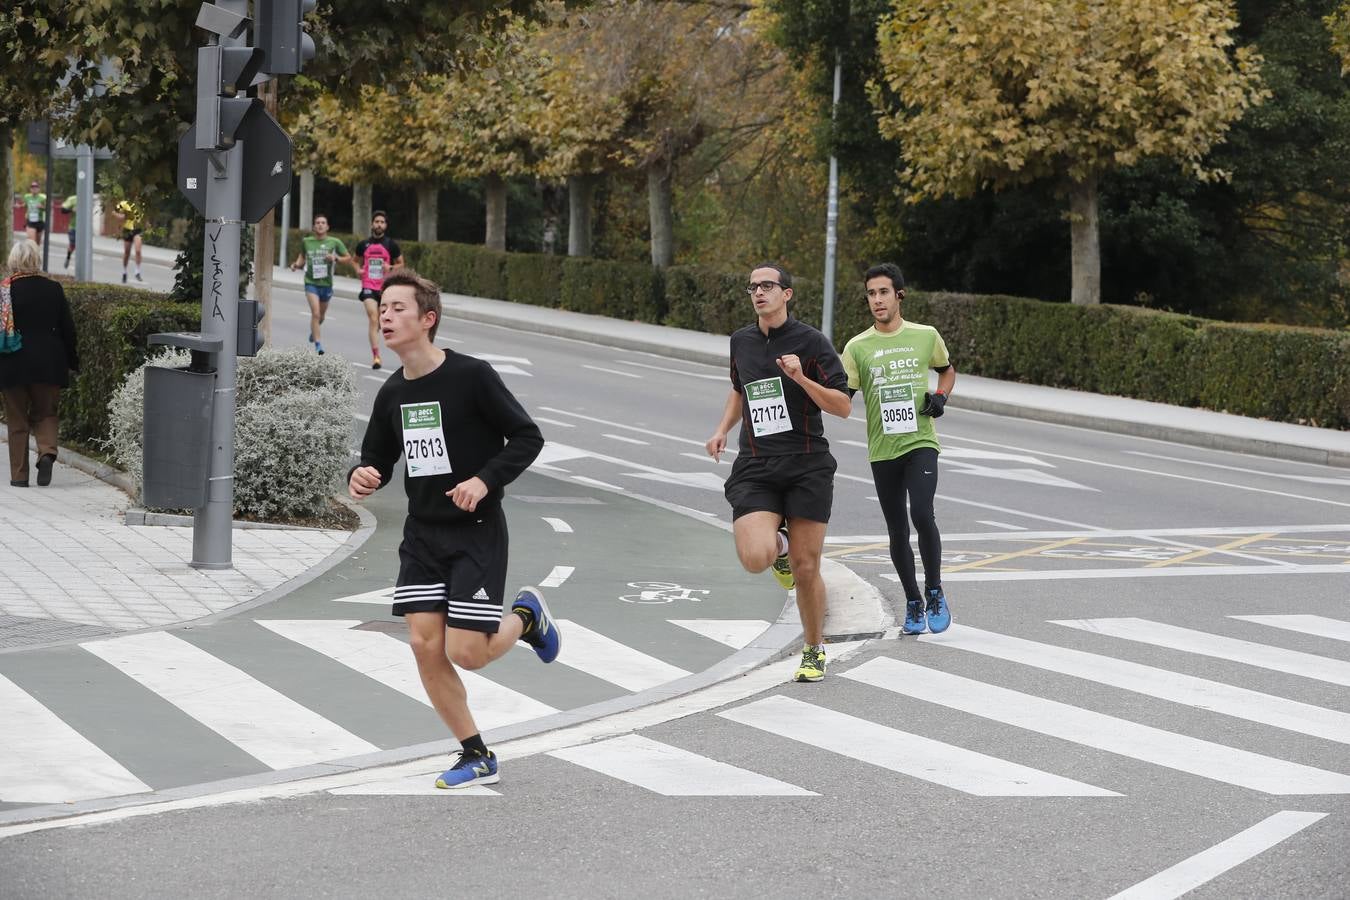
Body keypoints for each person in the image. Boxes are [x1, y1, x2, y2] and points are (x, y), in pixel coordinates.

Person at [347, 269, 557, 789]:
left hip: (476, 530)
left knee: (468, 653)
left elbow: (527, 437)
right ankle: (475, 753)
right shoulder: (392, 392)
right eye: (383, 307)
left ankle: (526, 619)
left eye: (398, 308)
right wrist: (364, 473)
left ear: (428, 319)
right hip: (422, 535)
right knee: (423, 645)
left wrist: (485, 481)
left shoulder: (472, 376)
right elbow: (377, 456)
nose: (386, 315)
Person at [705, 263, 851, 683]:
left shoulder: (812, 343)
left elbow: (841, 406)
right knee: (755, 558)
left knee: (808, 570)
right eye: (752, 286)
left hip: (807, 465)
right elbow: (740, 388)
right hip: (757, 465)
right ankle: (779, 547)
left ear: (787, 294)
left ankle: (814, 649)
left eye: (767, 286)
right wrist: (721, 430)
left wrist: (801, 377)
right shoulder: (742, 342)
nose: (758, 292)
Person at [841, 263, 955, 635]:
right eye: (871, 294)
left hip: (921, 442)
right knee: (896, 530)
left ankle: (934, 590)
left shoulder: (925, 336)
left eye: (883, 292)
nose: (877, 300)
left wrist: (940, 397)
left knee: (922, 512)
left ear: (899, 295)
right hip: (882, 449)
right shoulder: (857, 347)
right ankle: (912, 601)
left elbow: (947, 370)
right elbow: (843, 397)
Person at [0, 240, 79, 488]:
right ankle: (46, 452)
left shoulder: (4, 291)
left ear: (13, 261)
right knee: (46, 413)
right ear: (36, 260)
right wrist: (73, 360)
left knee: (17, 419)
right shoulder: (53, 289)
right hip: (48, 363)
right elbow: (68, 329)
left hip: (12, 363)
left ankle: (19, 476)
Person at [288, 213, 350, 355]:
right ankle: (318, 345)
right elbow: (303, 256)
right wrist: (296, 265)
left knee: (321, 317)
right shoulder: (307, 241)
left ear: (327, 226)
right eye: (317, 223)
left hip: (326, 284)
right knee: (315, 314)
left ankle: (314, 332)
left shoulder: (334, 242)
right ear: (314, 226)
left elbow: (348, 258)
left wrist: (335, 258)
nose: (320, 225)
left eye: (323, 222)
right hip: (311, 283)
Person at [350, 211, 403, 370]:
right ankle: (376, 357)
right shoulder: (364, 244)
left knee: (379, 319)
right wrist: (357, 270)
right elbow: (354, 260)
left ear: (385, 226)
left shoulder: (390, 245)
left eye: (382, 222)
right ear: (372, 224)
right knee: (373, 318)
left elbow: (401, 264)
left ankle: (377, 334)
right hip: (368, 286)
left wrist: (391, 267)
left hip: (385, 289)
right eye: (377, 221)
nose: (379, 224)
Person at [117, 199, 143, 283]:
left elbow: (146, 216)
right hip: (127, 230)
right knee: (127, 252)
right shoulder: (124, 203)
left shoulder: (143, 203)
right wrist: (122, 217)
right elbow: (114, 212)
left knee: (138, 250)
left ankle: (137, 271)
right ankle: (124, 272)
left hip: (137, 229)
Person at [61, 194, 77, 273]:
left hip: (85, 229)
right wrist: (72, 210)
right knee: (73, 246)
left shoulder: (88, 199)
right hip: (73, 227)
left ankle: (81, 264)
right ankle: (68, 257)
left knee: (82, 247)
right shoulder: (72, 199)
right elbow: (63, 210)